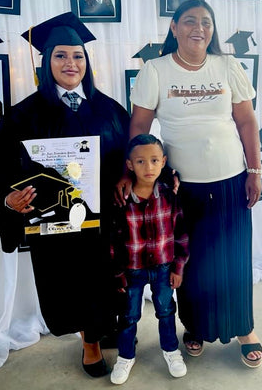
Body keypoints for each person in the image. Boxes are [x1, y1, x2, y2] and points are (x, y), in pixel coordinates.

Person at [117, 0, 262, 368]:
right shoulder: (155, 70)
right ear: (174, 27)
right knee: (191, 261)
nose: (198, 28)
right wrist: (131, 172)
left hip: (231, 178)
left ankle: (244, 328)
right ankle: (194, 327)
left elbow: (247, 121)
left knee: (233, 256)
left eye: (206, 22)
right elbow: (139, 127)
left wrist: (254, 170)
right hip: (182, 188)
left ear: (212, 30)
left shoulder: (228, 65)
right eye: (189, 21)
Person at [0, 12, 130, 378]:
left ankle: (105, 327)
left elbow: (130, 155)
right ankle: (90, 342)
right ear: (46, 61)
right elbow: (4, 173)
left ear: (88, 61)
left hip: (104, 219)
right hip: (58, 226)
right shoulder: (22, 116)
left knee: (110, 278)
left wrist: (128, 179)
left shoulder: (108, 108)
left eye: (78, 55)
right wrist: (9, 201)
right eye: (61, 55)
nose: (71, 63)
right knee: (73, 284)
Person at [109, 134, 189, 384]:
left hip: (164, 268)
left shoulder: (169, 195)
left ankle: (170, 350)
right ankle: (125, 356)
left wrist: (179, 267)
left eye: (154, 160)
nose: (149, 167)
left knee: (166, 311)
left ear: (163, 161)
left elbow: (181, 233)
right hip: (132, 270)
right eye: (141, 162)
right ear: (130, 165)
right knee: (129, 315)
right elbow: (113, 240)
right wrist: (117, 273)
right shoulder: (122, 201)